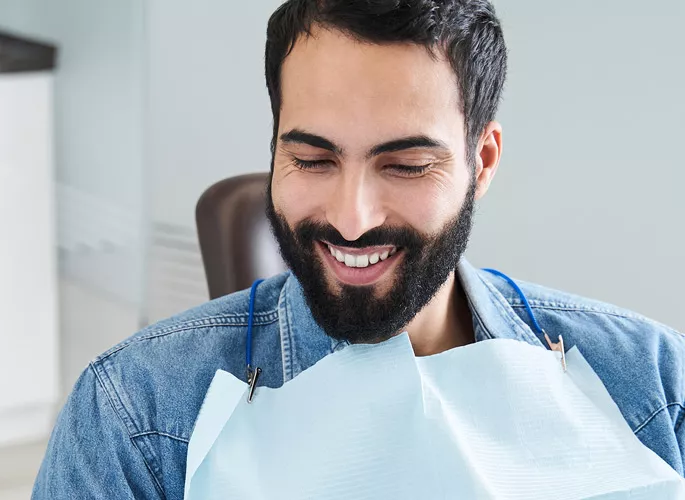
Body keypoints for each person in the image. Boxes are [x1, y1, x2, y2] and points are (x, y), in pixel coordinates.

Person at [33, 0, 685, 498]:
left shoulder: (653, 382)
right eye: (312, 159)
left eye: (404, 165)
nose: (351, 219)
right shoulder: (135, 409)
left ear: (480, 162)